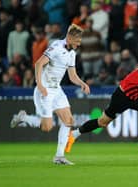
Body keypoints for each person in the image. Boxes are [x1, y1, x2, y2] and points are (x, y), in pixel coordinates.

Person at [10, 24, 90, 165]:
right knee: (47, 127)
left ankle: (59, 157)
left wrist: (82, 83)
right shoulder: (56, 47)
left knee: (69, 121)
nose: (79, 44)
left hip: (57, 90)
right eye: (77, 41)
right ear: (70, 38)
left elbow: (72, 76)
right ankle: (23, 117)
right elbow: (39, 64)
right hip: (45, 89)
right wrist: (39, 84)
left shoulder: (72, 53)